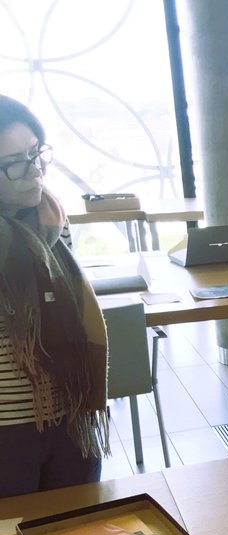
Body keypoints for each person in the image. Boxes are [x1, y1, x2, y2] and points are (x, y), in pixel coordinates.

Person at [0, 96, 107, 496]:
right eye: (15, 162)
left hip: (69, 408)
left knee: (78, 526)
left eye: (35, 152)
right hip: (7, 426)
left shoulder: (50, 217)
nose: (35, 170)